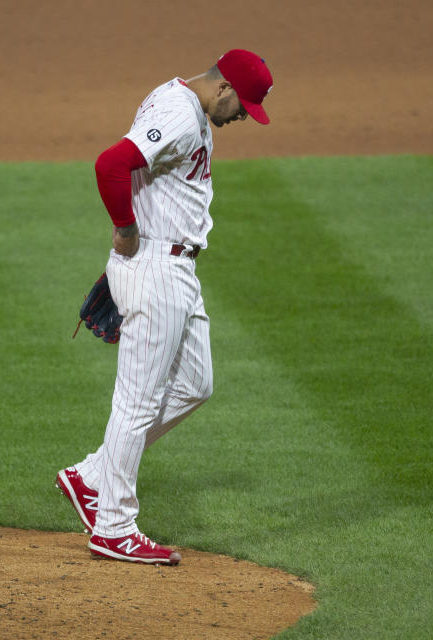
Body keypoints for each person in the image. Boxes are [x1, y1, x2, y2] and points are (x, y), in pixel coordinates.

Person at [56, 50, 273, 564]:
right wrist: (127, 229)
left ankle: (90, 478)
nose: (244, 116)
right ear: (222, 89)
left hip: (177, 268)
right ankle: (113, 525)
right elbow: (111, 164)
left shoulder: (187, 104)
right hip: (154, 264)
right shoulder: (179, 112)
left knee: (196, 384)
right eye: (242, 106)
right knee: (136, 402)